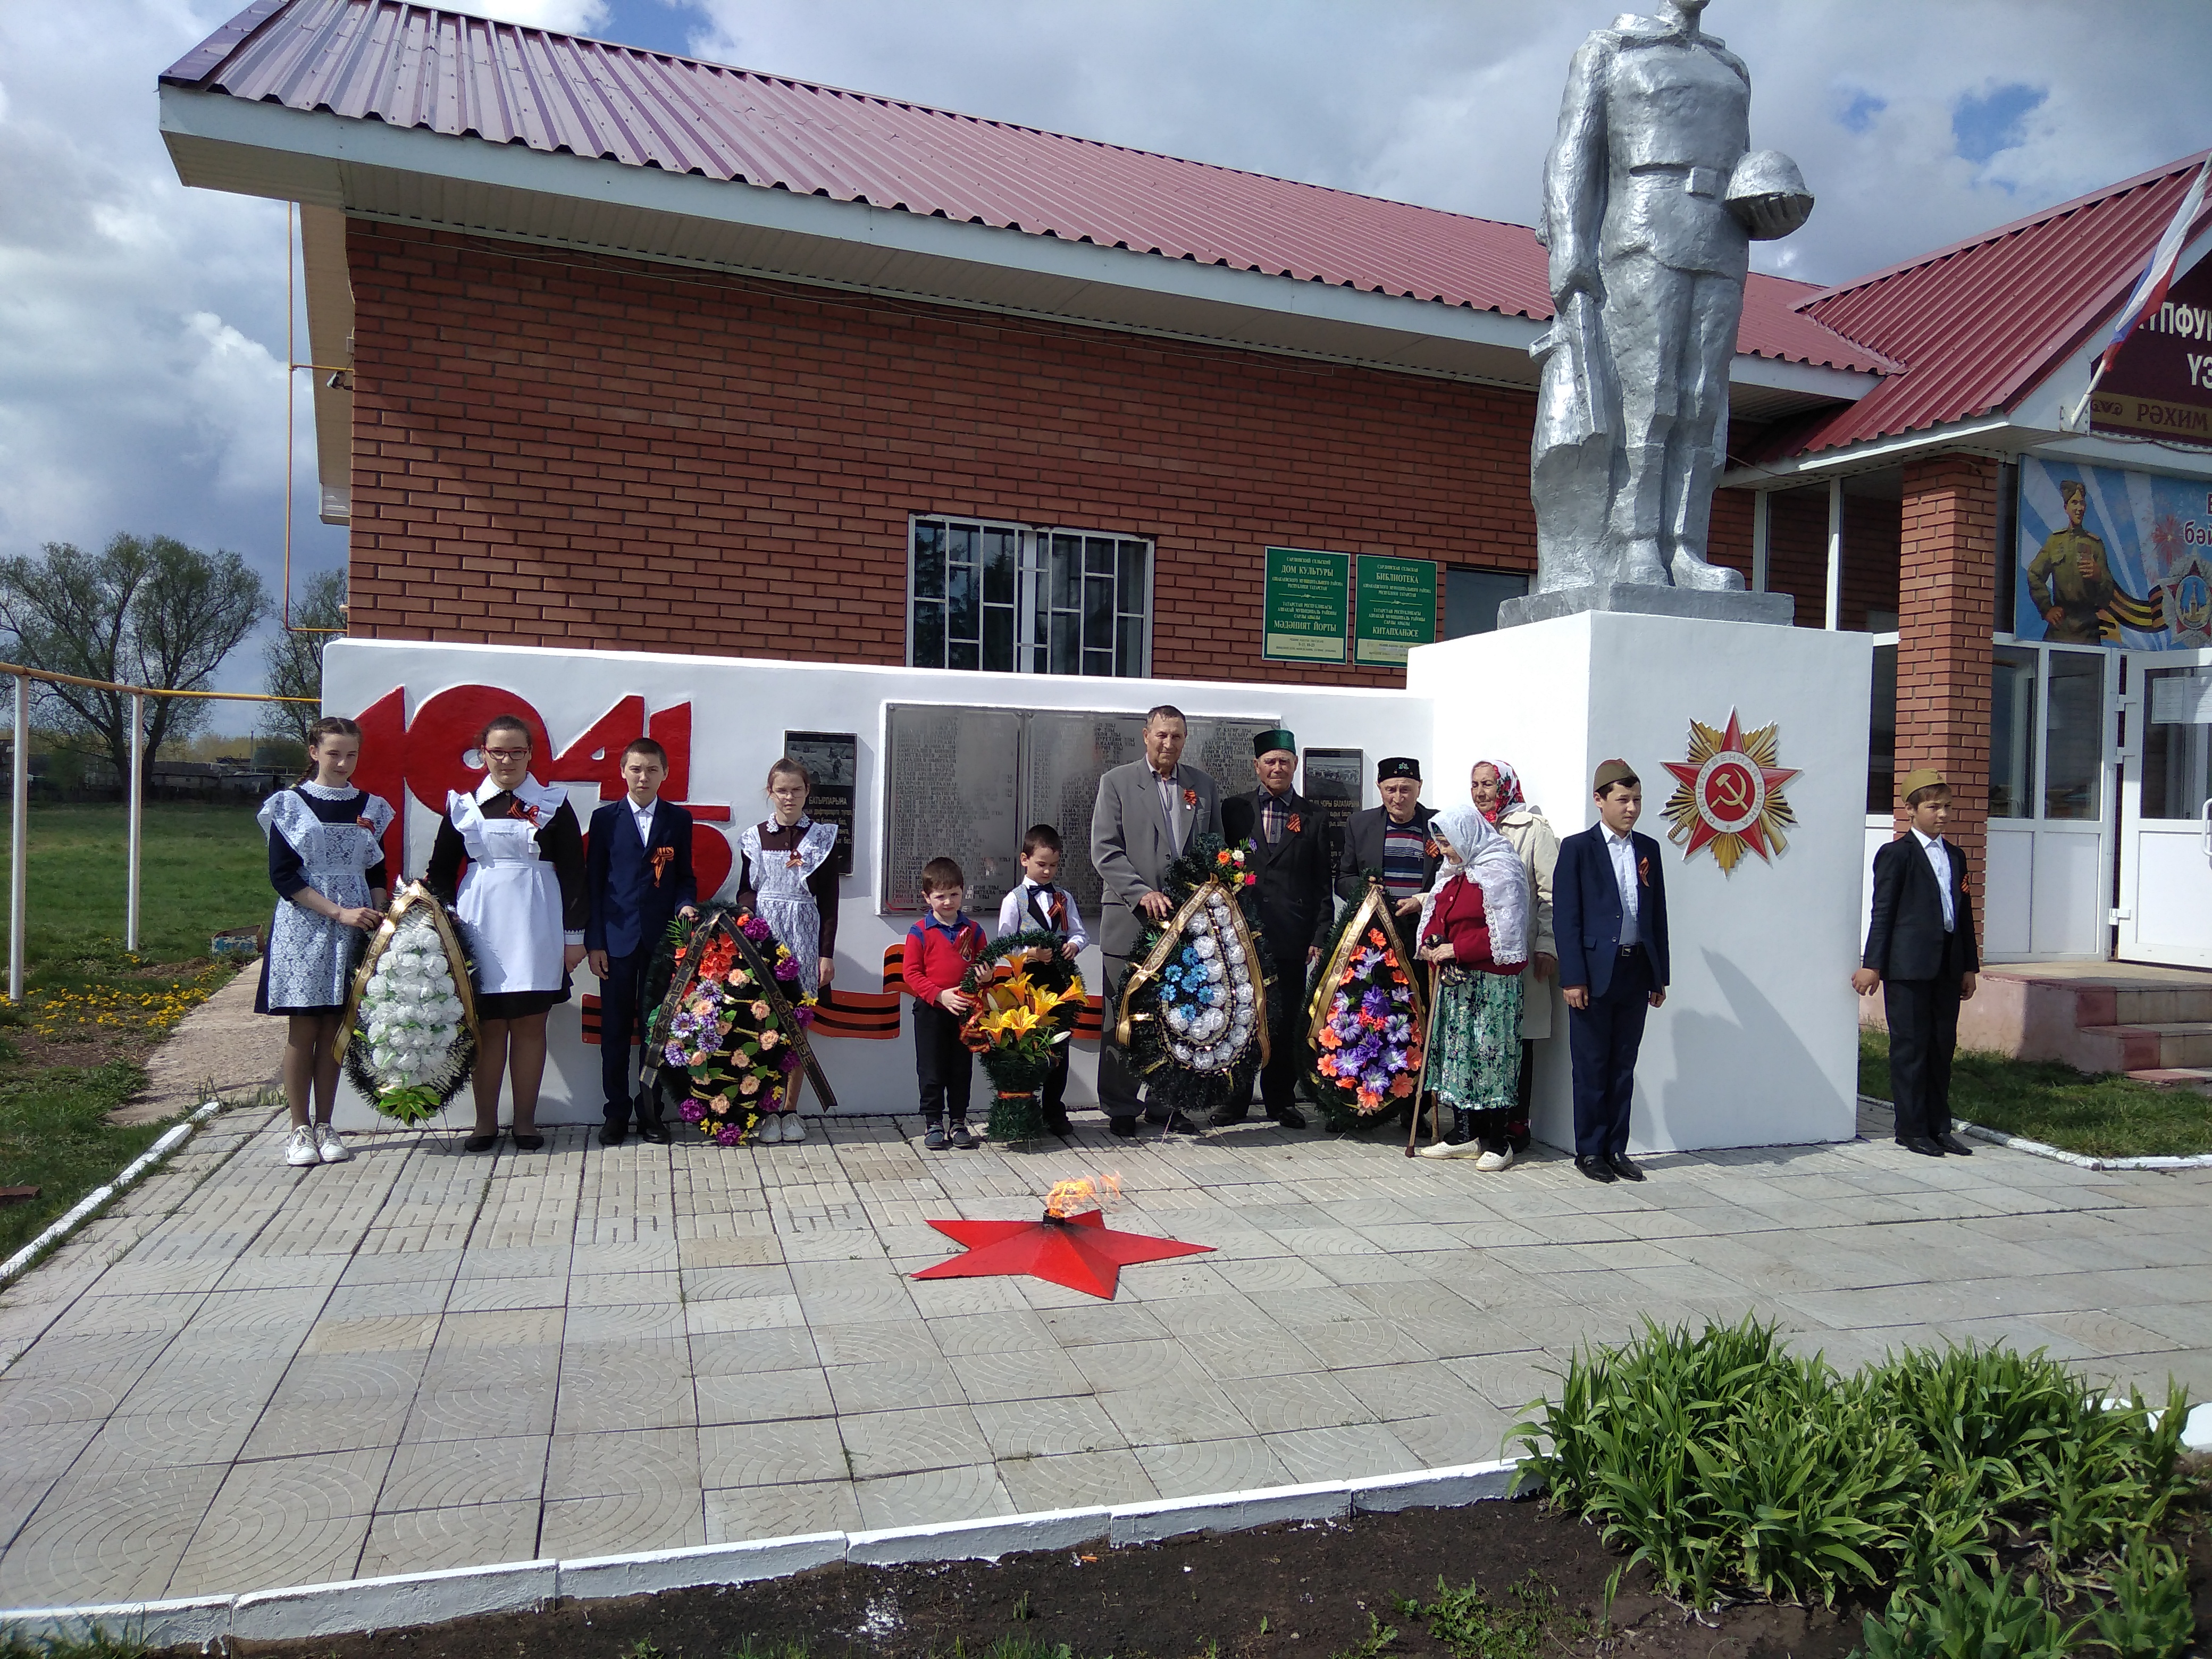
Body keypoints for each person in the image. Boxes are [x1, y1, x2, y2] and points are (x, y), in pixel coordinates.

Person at [1539, 0, 1812, 592]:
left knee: (1701, 399)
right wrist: (1570, 243)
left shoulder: (1729, 67)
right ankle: (1635, 541)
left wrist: (1770, 196)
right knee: (1650, 393)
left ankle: (1684, 546)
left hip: (1720, 237)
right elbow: (1572, 155)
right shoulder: (1611, 50)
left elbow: (1742, 164)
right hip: (1643, 226)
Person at [427, 713, 588, 1153]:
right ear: (483, 754)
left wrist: (574, 937)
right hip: (480, 924)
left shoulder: (554, 804)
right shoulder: (464, 806)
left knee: (531, 1025)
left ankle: (525, 1122)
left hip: (537, 925)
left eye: (517, 751)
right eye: (498, 751)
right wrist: (440, 933)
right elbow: (441, 873)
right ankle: (484, 1123)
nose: (507, 760)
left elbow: (575, 872)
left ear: (530, 754)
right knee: (488, 1027)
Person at [256, 716, 395, 1168]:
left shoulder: (371, 806)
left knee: (337, 1026)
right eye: (333, 753)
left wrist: (379, 913)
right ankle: (298, 1128)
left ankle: (326, 1124)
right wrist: (337, 911)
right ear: (314, 752)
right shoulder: (289, 804)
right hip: (306, 924)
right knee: (304, 1026)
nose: (342, 763)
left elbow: (376, 869)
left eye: (351, 754)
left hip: (355, 924)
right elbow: (283, 876)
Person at [1090, 705, 1224, 1137]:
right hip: (1131, 920)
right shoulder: (1117, 782)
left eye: (1177, 736)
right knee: (1123, 1018)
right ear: (1146, 735)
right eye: (1162, 735)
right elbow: (1105, 850)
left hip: (1185, 926)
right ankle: (1121, 1105)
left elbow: (1215, 849)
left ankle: (1166, 1103)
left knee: (1176, 1016)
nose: (1169, 743)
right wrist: (1140, 892)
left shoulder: (1203, 786)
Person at [1554, 759, 1670, 1184]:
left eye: (1637, 800)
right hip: (1593, 972)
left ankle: (1617, 1148)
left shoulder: (1648, 849)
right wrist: (1573, 977)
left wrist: (1659, 975)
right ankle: (1589, 1150)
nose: (1631, 808)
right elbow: (1566, 918)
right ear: (1599, 800)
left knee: (1623, 1064)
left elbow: (1657, 915)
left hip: (1635, 969)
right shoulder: (1578, 849)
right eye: (1623, 800)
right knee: (1591, 1065)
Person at [1854, 769, 1980, 1158]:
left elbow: (1963, 914)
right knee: (1911, 1047)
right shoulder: (1897, 854)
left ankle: (1939, 1126)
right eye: (1933, 807)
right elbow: (1883, 911)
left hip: (1947, 965)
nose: (1942, 815)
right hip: (1908, 966)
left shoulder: (1955, 855)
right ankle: (1910, 1129)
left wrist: (1969, 966)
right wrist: (1873, 964)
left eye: (1947, 807)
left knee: (1942, 1046)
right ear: (1910, 810)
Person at [1218, 728, 1333, 1129]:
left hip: (1291, 936)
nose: (1277, 768)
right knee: (1239, 1017)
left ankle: (1281, 1100)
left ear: (1295, 765)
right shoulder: (1234, 810)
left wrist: (1319, 935)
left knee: (1283, 1021)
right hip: (1241, 936)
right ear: (1257, 766)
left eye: (1285, 761)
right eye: (1270, 761)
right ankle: (1234, 1100)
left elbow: (1322, 883)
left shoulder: (1314, 817)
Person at [585, 737, 697, 1147]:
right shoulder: (605, 820)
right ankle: (615, 1113)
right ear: (623, 772)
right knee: (615, 1030)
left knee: (656, 1030)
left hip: (660, 942)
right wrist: (595, 942)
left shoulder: (678, 820)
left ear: (665, 773)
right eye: (636, 769)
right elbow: (594, 884)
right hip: (615, 942)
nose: (643, 777)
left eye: (652, 769)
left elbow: (684, 877)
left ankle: (651, 1112)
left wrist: (685, 905)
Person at [1415, 803, 1531, 1166]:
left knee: (1490, 1057)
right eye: (1441, 844)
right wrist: (1432, 943)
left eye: (1449, 844)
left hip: (1492, 984)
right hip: (1458, 983)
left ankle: (1498, 1141)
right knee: (1458, 1056)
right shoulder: (1453, 872)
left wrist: (1458, 949)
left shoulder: (1501, 869)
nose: (1445, 852)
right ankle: (1465, 1134)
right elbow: (1438, 914)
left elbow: (1509, 932)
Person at [734, 757, 841, 1144]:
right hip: (765, 937)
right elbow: (745, 891)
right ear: (771, 793)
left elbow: (829, 901)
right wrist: (751, 924)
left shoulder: (822, 837)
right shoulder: (755, 837)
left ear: (807, 791)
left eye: (797, 789)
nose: (789, 797)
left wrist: (826, 953)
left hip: (805, 937)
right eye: (782, 790)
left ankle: (791, 1110)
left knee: (797, 1024)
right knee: (764, 1023)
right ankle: (766, 1109)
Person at [1472, 759, 1560, 1150]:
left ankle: (1517, 1121)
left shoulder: (1532, 829)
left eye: (1488, 784)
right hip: (1477, 955)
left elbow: (1551, 893)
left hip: (1520, 956)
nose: (1481, 792)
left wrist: (1547, 945)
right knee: (1483, 1036)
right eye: (1475, 784)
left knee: (1520, 1038)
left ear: (1505, 786)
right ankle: (1480, 1121)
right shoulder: (1473, 828)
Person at [994, 824, 1088, 1137]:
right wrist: (1030, 953)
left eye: (1054, 866)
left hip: (1060, 979)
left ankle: (1054, 1109)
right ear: (1025, 860)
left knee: (1060, 1044)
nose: (1047, 871)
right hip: (1029, 981)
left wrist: (1074, 945)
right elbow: (1005, 943)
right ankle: (1026, 1108)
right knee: (1029, 1045)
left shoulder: (1064, 897)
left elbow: (1079, 933)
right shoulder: (1014, 900)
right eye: (1041, 864)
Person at [904, 856, 986, 1151]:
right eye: (940, 896)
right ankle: (933, 1122)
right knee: (931, 1068)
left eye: (954, 894)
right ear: (927, 897)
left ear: (963, 892)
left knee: (961, 1068)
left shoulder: (974, 930)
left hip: (964, 1012)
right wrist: (940, 995)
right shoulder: (920, 932)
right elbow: (911, 973)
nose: (948, 901)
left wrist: (986, 976)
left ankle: (959, 1121)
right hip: (931, 1011)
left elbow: (984, 966)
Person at [1336, 757, 1440, 921]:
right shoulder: (1359, 825)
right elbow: (1344, 880)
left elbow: (1454, 881)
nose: (1398, 798)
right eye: (1391, 790)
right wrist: (1364, 889)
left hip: (1425, 925)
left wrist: (1423, 901)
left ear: (1419, 788)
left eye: (1405, 790)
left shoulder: (1439, 825)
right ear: (1380, 788)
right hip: (1375, 926)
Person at [2024, 478, 2116, 646]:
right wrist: (2047, 608)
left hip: (2088, 627)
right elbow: (2034, 574)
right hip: (2061, 625)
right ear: (2066, 508)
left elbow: (2107, 596)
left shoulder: (2095, 544)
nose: (2079, 508)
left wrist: (2099, 576)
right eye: (2074, 503)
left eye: (2082, 503)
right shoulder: (2055, 541)